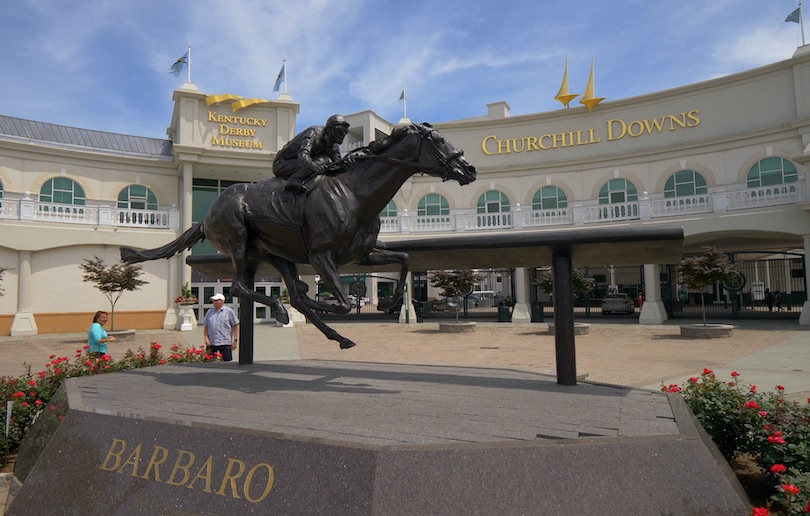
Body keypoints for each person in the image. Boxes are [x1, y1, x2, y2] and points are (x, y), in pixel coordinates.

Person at [272, 114, 351, 193]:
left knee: (327, 162)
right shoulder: (313, 133)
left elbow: (339, 165)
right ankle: (294, 180)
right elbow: (303, 155)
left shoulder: (334, 146)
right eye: (340, 130)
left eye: (345, 131)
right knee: (324, 160)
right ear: (330, 129)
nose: (343, 134)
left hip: (301, 165)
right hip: (282, 164)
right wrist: (314, 166)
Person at [203, 293, 239, 362]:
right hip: (212, 342)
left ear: (222, 301)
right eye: (213, 300)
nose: (214, 302)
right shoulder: (210, 312)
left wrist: (235, 341)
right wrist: (206, 338)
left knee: (227, 362)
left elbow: (235, 326)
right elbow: (206, 326)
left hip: (225, 342)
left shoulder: (229, 311)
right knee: (208, 361)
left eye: (216, 300)